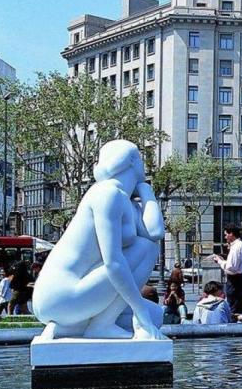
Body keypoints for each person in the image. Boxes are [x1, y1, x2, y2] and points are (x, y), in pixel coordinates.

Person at [32, 140, 165, 340]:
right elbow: (113, 262)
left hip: (82, 292)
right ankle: (102, 325)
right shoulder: (107, 194)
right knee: (146, 248)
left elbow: (155, 232)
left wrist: (147, 193)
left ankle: (79, 326)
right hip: (60, 296)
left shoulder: (125, 200)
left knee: (157, 315)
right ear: (132, 162)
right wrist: (140, 312)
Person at [212, 224, 242, 318]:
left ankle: (233, 328)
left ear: (231, 234)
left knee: (233, 307)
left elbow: (232, 267)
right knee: (237, 305)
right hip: (239, 279)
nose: (225, 237)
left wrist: (220, 261)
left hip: (235, 280)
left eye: (226, 234)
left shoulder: (236, 247)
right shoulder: (241, 245)